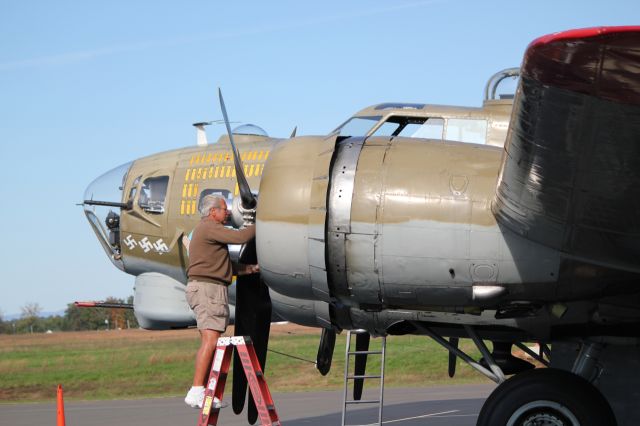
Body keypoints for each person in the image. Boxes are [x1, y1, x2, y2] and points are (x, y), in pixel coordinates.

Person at [184, 194, 258, 409]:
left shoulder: (207, 232)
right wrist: (259, 222)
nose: (228, 212)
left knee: (210, 341)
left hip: (208, 288)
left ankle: (205, 392)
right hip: (208, 290)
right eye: (224, 209)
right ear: (212, 212)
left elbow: (224, 267)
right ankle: (196, 391)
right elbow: (241, 237)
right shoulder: (209, 227)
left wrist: (251, 269)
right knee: (210, 341)